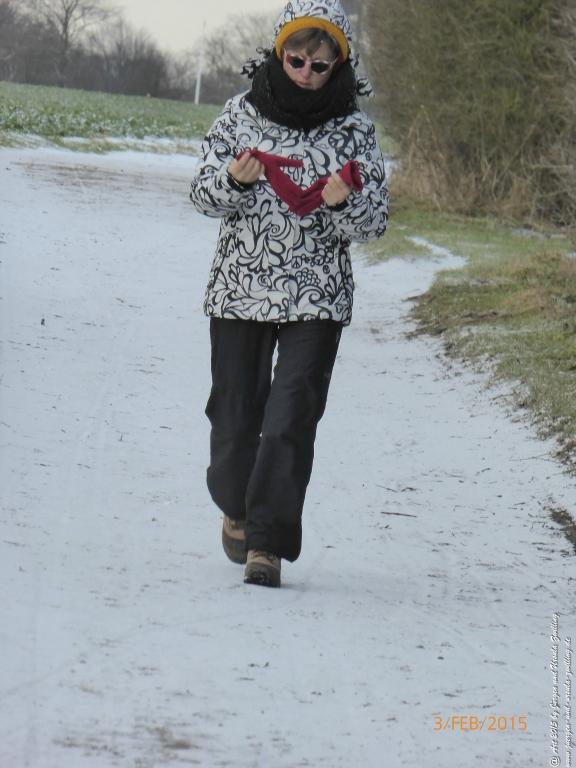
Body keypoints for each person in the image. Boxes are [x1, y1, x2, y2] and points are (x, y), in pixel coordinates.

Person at [189, 0, 389, 588]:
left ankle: (266, 544)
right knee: (235, 418)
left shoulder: (353, 129)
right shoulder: (239, 115)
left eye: (320, 65)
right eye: (297, 59)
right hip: (240, 288)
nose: (306, 72)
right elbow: (200, 195)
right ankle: (235, 503)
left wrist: (343, 202)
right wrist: (232, 181)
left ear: (339, 65)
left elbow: (375, 220)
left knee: (290, 418)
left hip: (318, 296)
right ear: (279, 53)